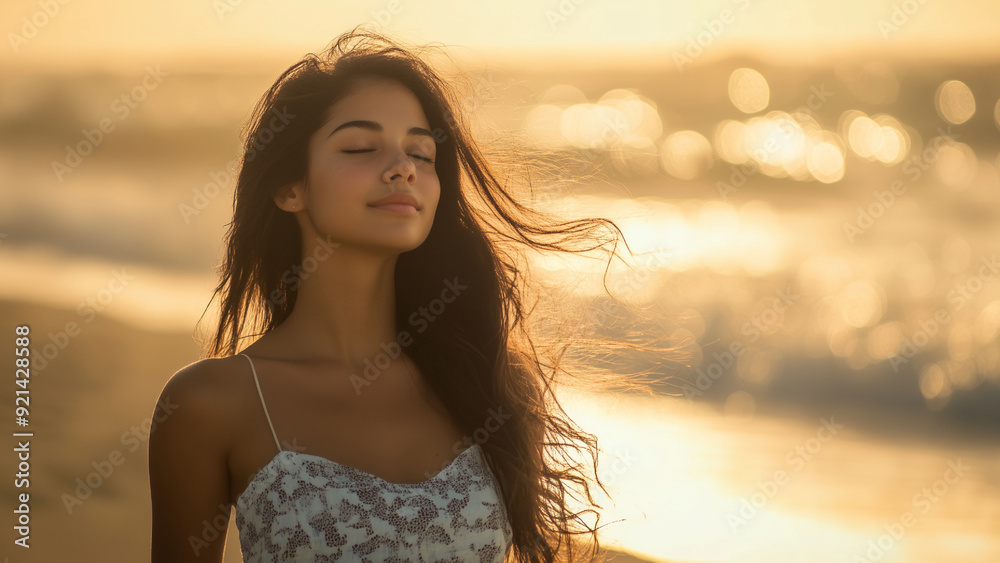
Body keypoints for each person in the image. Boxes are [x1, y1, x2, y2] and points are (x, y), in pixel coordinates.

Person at [149, 26, 661, 563]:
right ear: (289, 187)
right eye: (361, 147)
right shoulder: (210, 404)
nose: (402, 168)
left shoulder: (491, 385)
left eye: (421, 152)